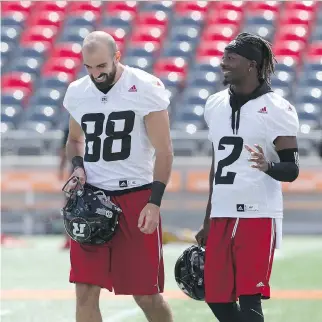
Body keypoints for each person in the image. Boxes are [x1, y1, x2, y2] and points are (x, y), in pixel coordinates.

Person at [63, 31, 174, 322]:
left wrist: (154, 202)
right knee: (85, 290)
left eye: (101, 66)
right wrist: (77, 166)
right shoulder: (77, 91)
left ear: (116, 56)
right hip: (92, 200)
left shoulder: (145, 87)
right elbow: (75, 140)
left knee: (146, 295)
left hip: (135, 197)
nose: (95, 74)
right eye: (88, 67)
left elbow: (164, 152)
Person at [195, 33, 300, 322]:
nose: (223, 63)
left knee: (250, 300)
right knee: (215, 298)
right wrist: (208, 218)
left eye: (231, 58)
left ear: (251, 65)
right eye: (224, 57)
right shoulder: (214, 104)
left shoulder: (277, 109)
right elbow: (216, 164)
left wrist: (267, 166)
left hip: (257, 214)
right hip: (221, 213)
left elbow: (291, 169)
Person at [58, 126, 71, 250]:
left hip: (77, 172)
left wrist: (61, 169)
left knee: (69, 207)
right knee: (69, 207)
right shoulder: (69, 128)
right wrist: (61, 169)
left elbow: (63, 150)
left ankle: (69, 240)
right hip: (76, 172)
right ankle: (68, 239)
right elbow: (64, 149)